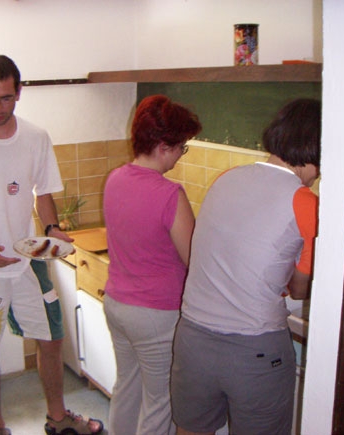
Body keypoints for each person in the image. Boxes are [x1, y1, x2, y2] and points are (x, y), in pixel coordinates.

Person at [0, 54, 103, 435]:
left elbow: (42, 193)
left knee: (52, 338)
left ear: (19, 92)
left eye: (5, 98)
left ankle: (58, 419)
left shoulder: (35, 137)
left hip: (26, 263)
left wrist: (51, 227)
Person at [171, 98, 321, 435]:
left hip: (193, 339)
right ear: (315, 151)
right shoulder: (305, 202)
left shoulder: (226, 178)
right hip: (254, 349)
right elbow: (300, 288)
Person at [102, 95, 202, 435]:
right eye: (181, 147)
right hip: (156, 314)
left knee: (127, 390)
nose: (181, 154)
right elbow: (194, 259)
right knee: (160, 403)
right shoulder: (169, 194)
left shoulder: (115, 178)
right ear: (163, 146)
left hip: (117, 303)